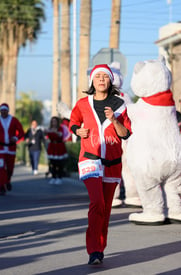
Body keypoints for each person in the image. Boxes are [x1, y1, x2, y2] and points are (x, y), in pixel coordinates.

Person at [69, 64, 132, 265]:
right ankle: (93, 249)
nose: (102, 80)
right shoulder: (82, 104)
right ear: (92, 81)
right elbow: (73, 122)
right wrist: (78, 131)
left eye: (105, 77)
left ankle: (100, 247)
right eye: (98, 77)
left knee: (105, 208)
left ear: (110, 81)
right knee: (97, 202)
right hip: (89, 159)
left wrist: (114, 120)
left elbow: (126, 134)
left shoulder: (120, 105)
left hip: (112, 163)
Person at [0, 103, 24, 195]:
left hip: (11, 148)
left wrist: (16, 138)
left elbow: (21, 132)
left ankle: (7, 180)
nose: (3, 112)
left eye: (5, 110)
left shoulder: (14, 120)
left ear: (8, 111)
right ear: (0, 111)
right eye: (2, 110)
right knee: (1, 168)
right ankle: (1, 187)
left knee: (10, 169)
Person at [45, 116, 68, 184]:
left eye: (55, 121)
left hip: (59, 146)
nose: (53, 123)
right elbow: (47, 136)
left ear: (57, 122)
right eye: (52, 121)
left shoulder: (60, 128)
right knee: (52, 163)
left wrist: (55, 132)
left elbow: (61, 135)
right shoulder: (50, 128)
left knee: (59, 164)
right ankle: (53, 177)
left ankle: (59, 177)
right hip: (52, 147)